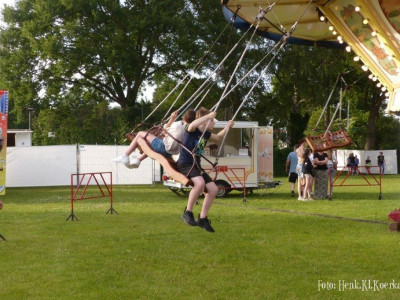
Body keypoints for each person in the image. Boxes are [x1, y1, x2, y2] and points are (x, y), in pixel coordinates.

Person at [178, 107, 234, 232]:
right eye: (213, 121)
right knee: (200, 183)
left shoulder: (206, 134)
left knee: (213, 189)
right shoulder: (191, 130)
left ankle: (202, 218)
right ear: (205, 121)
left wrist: (228, 127)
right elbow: (192, 124)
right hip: (185, 164)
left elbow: (218, 138)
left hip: (196, 165)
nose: (214, 123)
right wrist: (209, 116)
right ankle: (188, 212)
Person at [113, 109, 196, 167]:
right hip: (170, 153)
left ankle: (125, 155)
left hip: (163, 147)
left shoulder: (178, 125)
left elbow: (164, 132)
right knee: (152, 145)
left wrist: (172, 118)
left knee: (140, 134)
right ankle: (138, 160)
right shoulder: (189, 131)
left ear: (183, 117)